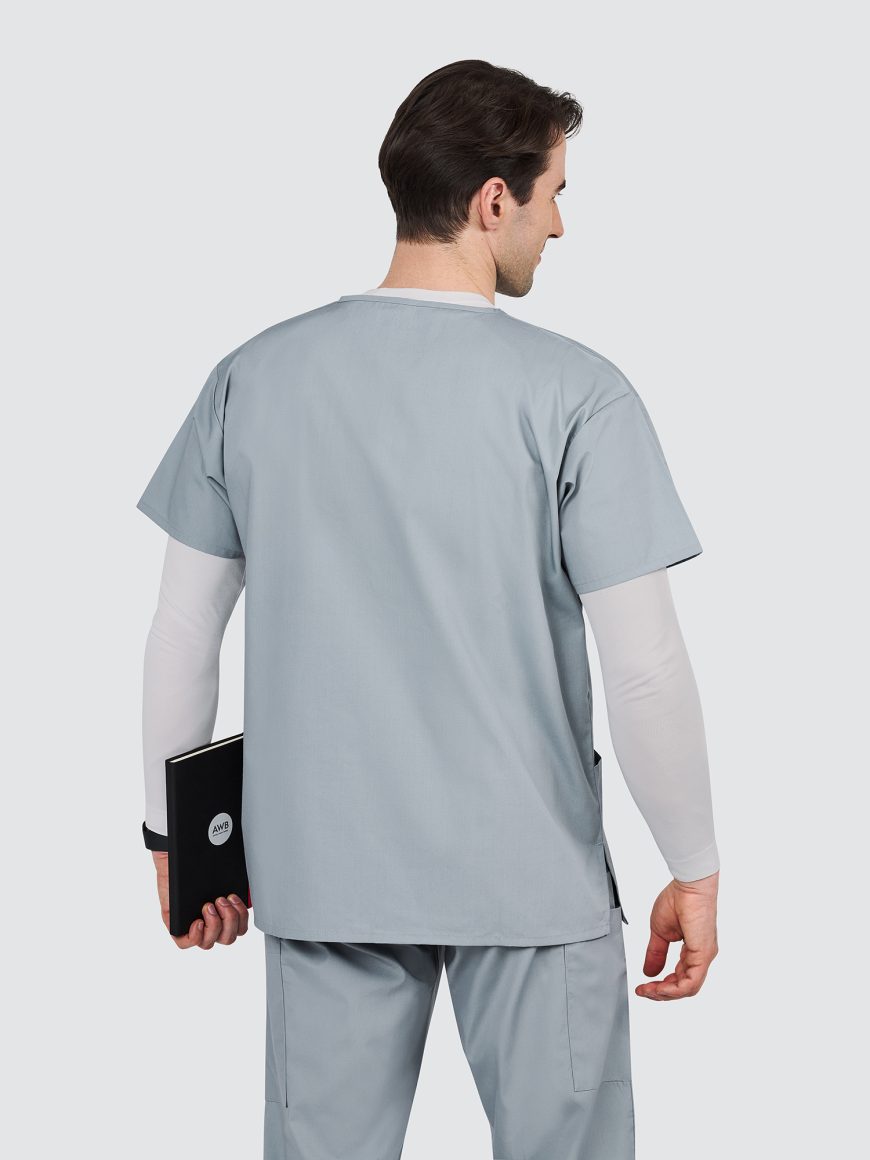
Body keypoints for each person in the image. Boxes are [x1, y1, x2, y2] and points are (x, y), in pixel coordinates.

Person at [137, 59, 719, 1160]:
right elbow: (644, 666)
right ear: (494, 200)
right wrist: (692, 862)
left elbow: (182, 629)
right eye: (553, 194)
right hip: (532, 873)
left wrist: (176, 836)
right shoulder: (579, 395)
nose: (560, 225)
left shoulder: (252, 379)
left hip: (323, 874)